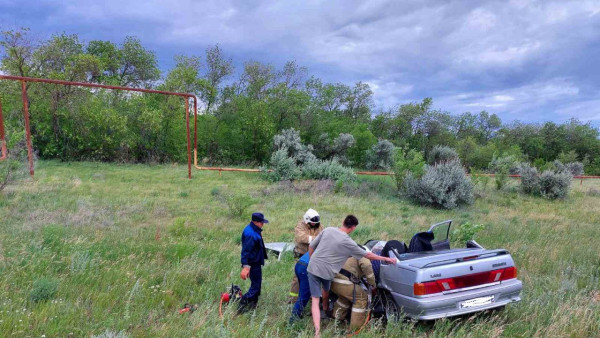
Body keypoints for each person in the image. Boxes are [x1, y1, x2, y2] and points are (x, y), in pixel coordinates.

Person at [307, 215, 397, 337]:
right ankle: (354, 330)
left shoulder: (328, 230)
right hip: (331, 275)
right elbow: (368, 258)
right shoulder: (350, 244)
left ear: (343, 221)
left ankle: (328, 322)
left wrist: (313, 260)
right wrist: (384, 262)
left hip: (314, 268)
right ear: (353, 228)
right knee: (360, 297)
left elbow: (311, 246)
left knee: (320, 298)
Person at [330, 255, 376, 331]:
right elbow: (367, 266)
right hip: (343, 281)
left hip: (333, 281)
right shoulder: (362, 255)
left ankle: (336, 319)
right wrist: (373, 284)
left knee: (345, 297)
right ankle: (356, 328)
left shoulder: (348, 254)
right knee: (361, 298)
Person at [289, 209, 324, 303]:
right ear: (306, 220)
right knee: (297, 278)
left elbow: (324, 237)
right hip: (301, 255)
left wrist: (313, 239)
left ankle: (312, 297)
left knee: (314, 277)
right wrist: (317, 239)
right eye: (312, 223)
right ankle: (293, 299)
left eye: (315, 223)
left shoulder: (320, 226)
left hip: (314, 256)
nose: (314, 224)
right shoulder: (300, 226)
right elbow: (301, 238)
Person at [238, 212, 269, 313]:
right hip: (253, 264)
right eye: (261, 222)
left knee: (257, 286)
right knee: (255, 287)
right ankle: (242, 303)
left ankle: (253, 306)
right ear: (255, 222)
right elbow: (246, 251)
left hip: (256, 262)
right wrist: (246, 267)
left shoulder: (254, 229)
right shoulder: (250, 234)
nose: (262, 224)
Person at [288, 252, 311, 324]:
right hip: (306, 267)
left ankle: (297, 314)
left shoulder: (322, 241)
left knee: (302, 292)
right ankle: (292, 322)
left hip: (300, 263)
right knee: (304, 296)